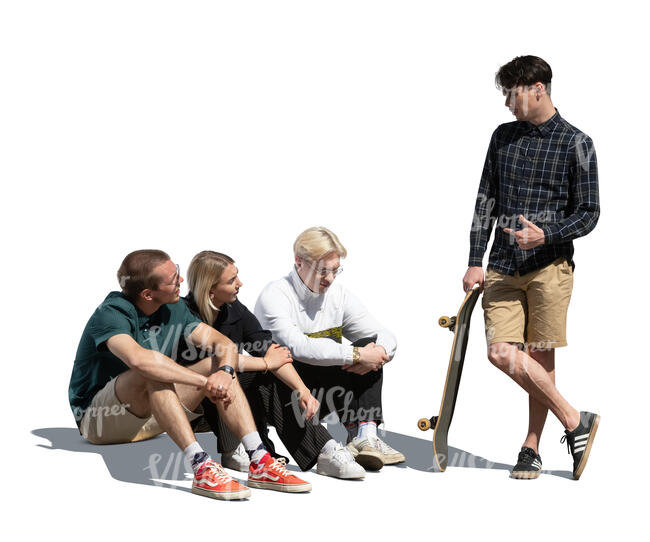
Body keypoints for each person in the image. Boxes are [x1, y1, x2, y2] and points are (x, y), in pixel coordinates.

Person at [68, 249, 311, 500]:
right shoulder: (112, 313)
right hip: (100, 421)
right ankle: (201, 466)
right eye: (174, 279)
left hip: (150, 416)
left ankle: (260, 460)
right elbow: (139, 360)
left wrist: (224, 373)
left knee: (215, 365)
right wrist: (204, 382)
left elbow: (223, 344)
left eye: (178, 272)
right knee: (151, 369)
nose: (181, 282)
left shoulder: (174, 309)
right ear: (147, 294)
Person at [463, 56, 600, 480]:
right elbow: (486, 200)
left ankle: (531, 446)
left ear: (538, 88)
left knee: (540, 355)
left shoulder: (577, 142)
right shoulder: (502, 137)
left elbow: (590, 213)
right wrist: (473, 260)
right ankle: (576, 421)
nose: (507, 102)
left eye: (513, 93)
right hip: (502, 265)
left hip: (550, 266)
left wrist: (548, 234)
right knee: (501, 353)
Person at [180, 250, 366, 480]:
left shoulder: (233, 308)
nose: (240, 283)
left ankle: (322, 451)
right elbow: (216, 362)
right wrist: (265, 362)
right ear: (210, 289)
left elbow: (271, 350)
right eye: (231, 280)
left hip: (226, 401)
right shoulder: (182, 313)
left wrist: (302, 390)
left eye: (237, 276)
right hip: (191, 407)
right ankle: (234, 448)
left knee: (268, 375)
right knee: (227, 372)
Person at [255, 227, 405, 470]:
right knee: (344, 353)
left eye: (335, 270)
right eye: (322, 271)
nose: (330, 278)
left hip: (323, 393)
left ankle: (364, 436)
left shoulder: (338, 295)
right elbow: (298, 346)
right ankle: (326, 448)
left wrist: (377, 354)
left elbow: (384, 335)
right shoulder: (275, 294)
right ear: (299, 262)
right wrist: (356, 354)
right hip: (284, 395)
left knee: (369, 346)